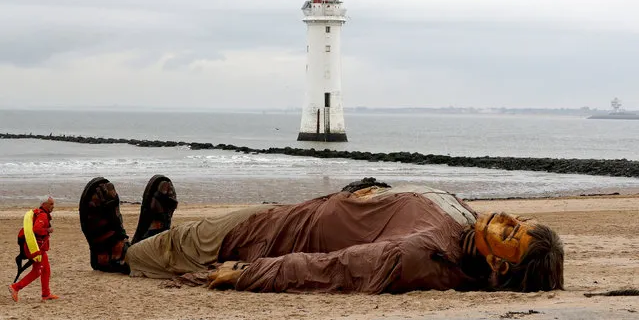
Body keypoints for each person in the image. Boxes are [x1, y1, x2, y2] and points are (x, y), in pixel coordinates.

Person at [79, 176, 564, 294]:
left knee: (195, 242)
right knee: (180, 241)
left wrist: (249, 273)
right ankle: (152, 239)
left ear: (500, 265)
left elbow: (337, 270)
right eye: (520, 222)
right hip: (298, 214)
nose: (508, 220)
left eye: (513, 236)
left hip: (270, 237)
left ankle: (116, 254)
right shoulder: (465, 227)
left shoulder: (427, 255)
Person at [8, 196, 60, 302]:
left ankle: (46, 294)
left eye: (53, 204)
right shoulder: (43, 215)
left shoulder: (40, 213)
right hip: (36, 248)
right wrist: (48, 230)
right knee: (37, 271)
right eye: (51, 204)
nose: (53, 207)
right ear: (44, 204)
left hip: (38, 247)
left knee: (46, 270)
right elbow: (36, 229)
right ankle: (15, 287)